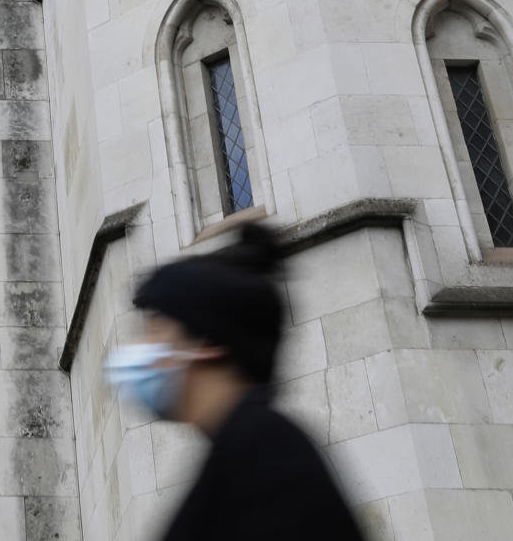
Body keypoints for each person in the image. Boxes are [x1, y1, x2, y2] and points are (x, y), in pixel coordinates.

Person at [105, 224, 366, 540]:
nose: (139, 348)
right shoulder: (238, 454)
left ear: (206, 344)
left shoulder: (266, 453)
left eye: (156, 330)